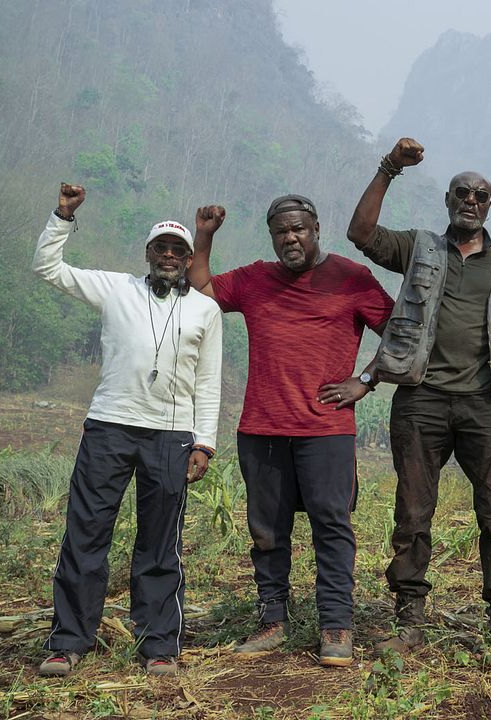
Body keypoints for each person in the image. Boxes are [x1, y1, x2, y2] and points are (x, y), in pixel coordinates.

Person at [187, 195, 393, 667]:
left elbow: (402, 329)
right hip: (262, 428)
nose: (290, 238)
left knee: (331, 526)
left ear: (317, 228)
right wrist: (205, 235)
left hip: (326, 429)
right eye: (281, 232)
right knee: (267, 531)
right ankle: (272, 621)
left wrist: (365, 380)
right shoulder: (256, 278)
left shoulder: (351, 278)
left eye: (298, 229)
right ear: (272, 236)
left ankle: (336, 626)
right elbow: (201, 289)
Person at [345, 137, 491, 654]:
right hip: (422, 398)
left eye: (480, 195)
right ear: (448, 202)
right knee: (413, 507)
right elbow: (360, 233)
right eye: (461, 194)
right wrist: (389, 169)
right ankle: (409, 615)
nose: (470, 201)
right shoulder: (420, 247)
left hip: (489, 402)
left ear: (489, 206)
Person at [34, 183, 223, 677]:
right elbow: (48, 269)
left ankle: (158, 646)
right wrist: (63, 215)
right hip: (109, 428)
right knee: (86, 534)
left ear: (186, 260)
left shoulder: (206, 310)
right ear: (147, 253)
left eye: (178, 250)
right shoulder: (117, 288)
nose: (168, 255)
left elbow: (209, 382)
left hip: (172, 435)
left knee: (160, 542)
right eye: (160, 247)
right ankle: (69, 641)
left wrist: (205, 442)